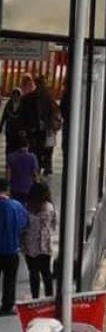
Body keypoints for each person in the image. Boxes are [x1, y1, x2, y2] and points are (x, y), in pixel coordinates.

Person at [22, 182, 55, 299]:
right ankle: (49, 296)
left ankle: (35, 297)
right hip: (45, 245)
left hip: (30, 245)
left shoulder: (27, 208)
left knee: (33, 272)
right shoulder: (49, 207)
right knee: (46, 272)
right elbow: (52, 224)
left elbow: (24, 226)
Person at [0, 179, 29, 314]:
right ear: (7, 189)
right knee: (10, 280)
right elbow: (24, 224)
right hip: (11, 249)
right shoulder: (16, 206)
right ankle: (7, 306)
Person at [20, 76, 53, 170]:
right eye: (40, 84)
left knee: (40, 150)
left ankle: (36, 170)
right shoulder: (26, 98)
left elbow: (50, 113)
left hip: (42, 129)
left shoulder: (47, 98)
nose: (41, 86)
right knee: (32, 150)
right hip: (31, 128)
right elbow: (23, 114)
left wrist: (49, 127)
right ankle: (33, 169)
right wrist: (24, 127)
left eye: (43, 84)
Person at [6, 133, 39, 202]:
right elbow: (35, 174)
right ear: (28, 145)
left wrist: (8, 186)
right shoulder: (32, 157)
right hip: (28, 188)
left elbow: (8, 174)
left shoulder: (11, 157)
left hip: (14, 188)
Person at [0, 88, 26, 156]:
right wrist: (1, 125)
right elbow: (4, 115)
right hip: (10, 129)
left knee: (17, 147)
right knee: (9, 146)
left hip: (19, 131)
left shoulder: (23, 105)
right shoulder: (9, 103)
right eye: (14, 95)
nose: (15, 97)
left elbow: (26, 117)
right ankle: (8, 161)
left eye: (17, 96)